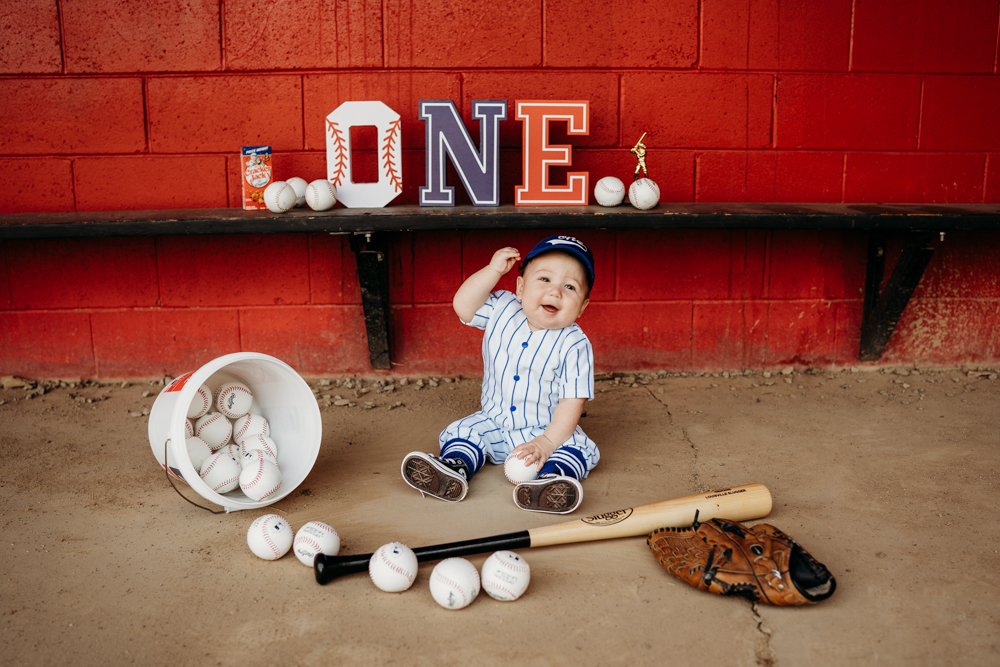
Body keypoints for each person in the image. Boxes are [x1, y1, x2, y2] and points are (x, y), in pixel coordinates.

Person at [400, 235, 599, 514]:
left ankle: (552, 479)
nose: (555, 292)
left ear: (582, 307)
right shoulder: (503, 308)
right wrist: (493, 271)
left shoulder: (575, 344)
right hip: (493, 420)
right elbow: (463, 306)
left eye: (570, 287)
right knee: (465, 432)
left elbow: (572, 402)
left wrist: (547, 443)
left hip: (544, 429)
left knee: (577, 447)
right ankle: (454, 467)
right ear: (520, 287)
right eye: (544, 280)